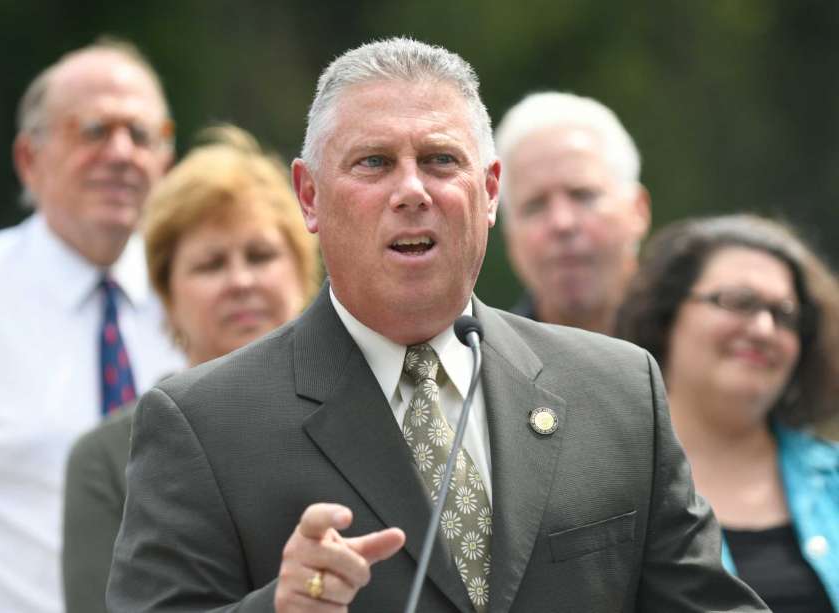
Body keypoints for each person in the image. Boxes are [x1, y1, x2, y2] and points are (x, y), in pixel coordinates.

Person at [107, 38, 768, 612]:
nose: (413, 190)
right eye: (373, 162)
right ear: (309, 196)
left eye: (441, 160)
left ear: (490, 192)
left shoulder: (620, 390)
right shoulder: (202, 424)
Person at [0, 40, 184, 612]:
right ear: (28, 159)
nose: (121, 153)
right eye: (92, 130)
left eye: (142, 135)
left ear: (166, 159)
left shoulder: (198, 299)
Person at [62, 124, 320, 613]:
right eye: (210, 264)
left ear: (304, 272)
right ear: (167, 297)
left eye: (261, 255)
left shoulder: (366, 409)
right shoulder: (105, 459)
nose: (240, 281)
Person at [617, 214, 839, 611]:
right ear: (665, 317)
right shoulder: (602, 487)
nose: (764, 329)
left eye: (785, 316)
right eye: (739, 302)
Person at [494, 92, 650, 334]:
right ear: (509, 235)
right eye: (534, 205)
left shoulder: (702, 353)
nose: (562, 223)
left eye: (583, 195)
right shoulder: (480, 367)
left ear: (638, 210)